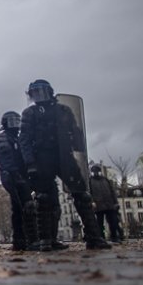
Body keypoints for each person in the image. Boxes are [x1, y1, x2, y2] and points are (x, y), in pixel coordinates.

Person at [19, 79, 111, 251]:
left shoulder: (63, 110)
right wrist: (30, 162)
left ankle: (94, 236)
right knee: (44, 199)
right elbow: (24, 139)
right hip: (42, 158)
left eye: (41, 92)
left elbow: (75, 133)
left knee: (82, 196)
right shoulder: (30, 113)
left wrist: (79, 150)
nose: (38, 96)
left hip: (64, 156)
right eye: (35, 93)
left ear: (49, 91)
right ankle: (46, 239)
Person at [0, 111, 38, 251]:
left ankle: (20, 240)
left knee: (18, 208)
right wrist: (16, 175)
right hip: (12, 175)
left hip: (19, 175)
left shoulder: (16, 138)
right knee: (26, 206)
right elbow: (7, 159)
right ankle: (31, 239)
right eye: (12, 121)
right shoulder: (3, 138)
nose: (16, 124)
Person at [89, 164, 123, 244]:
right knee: (99, 223)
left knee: (113, 222)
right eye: (94, 172)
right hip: (98, 205)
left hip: (109, 204)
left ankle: (114, 237)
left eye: (97, 171)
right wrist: (92, 202)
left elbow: (112, 191)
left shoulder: (105, 180)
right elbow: (89, 193)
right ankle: (101, 237)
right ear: (92, 172)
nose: (96, 173)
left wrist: (115, 202)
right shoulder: (90, 181)